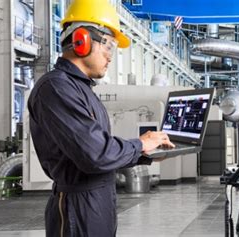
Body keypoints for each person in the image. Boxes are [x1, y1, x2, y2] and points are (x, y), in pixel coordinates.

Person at [27, 0, 174, 236]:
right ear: (81, 41)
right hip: (77, 209)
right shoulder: (55, 88)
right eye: (108, 46)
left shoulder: (81, 89)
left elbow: (99, 148)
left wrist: (143, 154)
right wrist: (139, 144)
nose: (110, 56)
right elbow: (95, 154)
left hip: (97, 202)